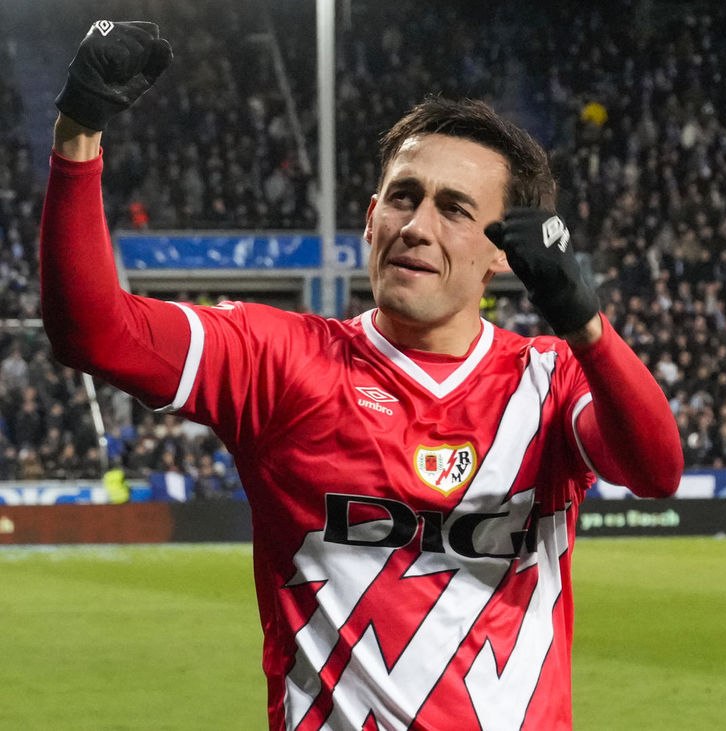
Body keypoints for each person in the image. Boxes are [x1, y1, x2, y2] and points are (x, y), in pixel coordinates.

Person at [41, 21, 683, 729]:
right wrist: (79, 133)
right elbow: (95, 331)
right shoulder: (277, 359)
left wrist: (586, 323)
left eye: (454, 209)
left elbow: (655, 468)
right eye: (404, 198)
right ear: (371, 220)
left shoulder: (550, 379)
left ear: (506, 252)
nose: (417, 225)